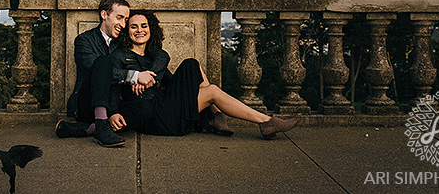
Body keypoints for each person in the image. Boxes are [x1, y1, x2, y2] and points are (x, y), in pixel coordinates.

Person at [107, 10, 299, 139]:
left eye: (144, 26)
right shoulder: (120, 56)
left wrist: (153, 79)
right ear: (127, 31)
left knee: (191, 65)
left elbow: (174, 82)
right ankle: (264, 121)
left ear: (151, 29)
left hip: (165, 105)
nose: (139, 30)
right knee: (213, 91)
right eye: (134, 27)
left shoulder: (154, 57)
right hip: (154, 117)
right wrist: (114, 112)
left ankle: (215, 116)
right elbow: (113, 88)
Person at [56, 0, 157, 147]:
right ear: (104, 15)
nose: (123, 24)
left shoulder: (123, 42)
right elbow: (97, 72)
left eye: (126, 19)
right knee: (103, 62)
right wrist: (134, 76)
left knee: (145, 108)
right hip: (87, 104)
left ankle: (90, 129)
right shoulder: (84, 40)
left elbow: (154, 53)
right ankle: (101, 124)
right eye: (119, 17)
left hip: (114, 103)